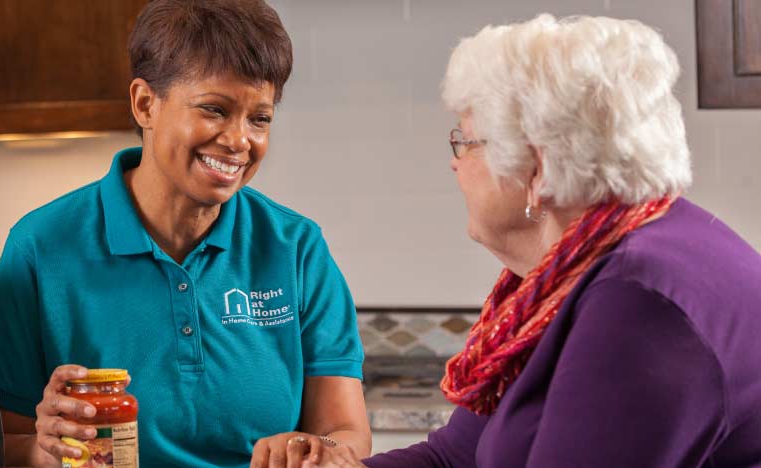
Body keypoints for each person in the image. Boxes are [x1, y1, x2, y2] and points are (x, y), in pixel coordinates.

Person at [311, 14, 761, 468]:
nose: (455, 164)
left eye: (466, 143)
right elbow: (456, 458)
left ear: (535, 168)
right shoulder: (568, 272)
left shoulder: (638, 298)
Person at [0, 1, 371, 467]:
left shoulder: (297, 249)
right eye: (214, 109)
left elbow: (344, 433)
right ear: (145, 104)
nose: (240, 140)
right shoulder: (39, 249)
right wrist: (49, 453)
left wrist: (316, 450)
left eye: (259, 118)